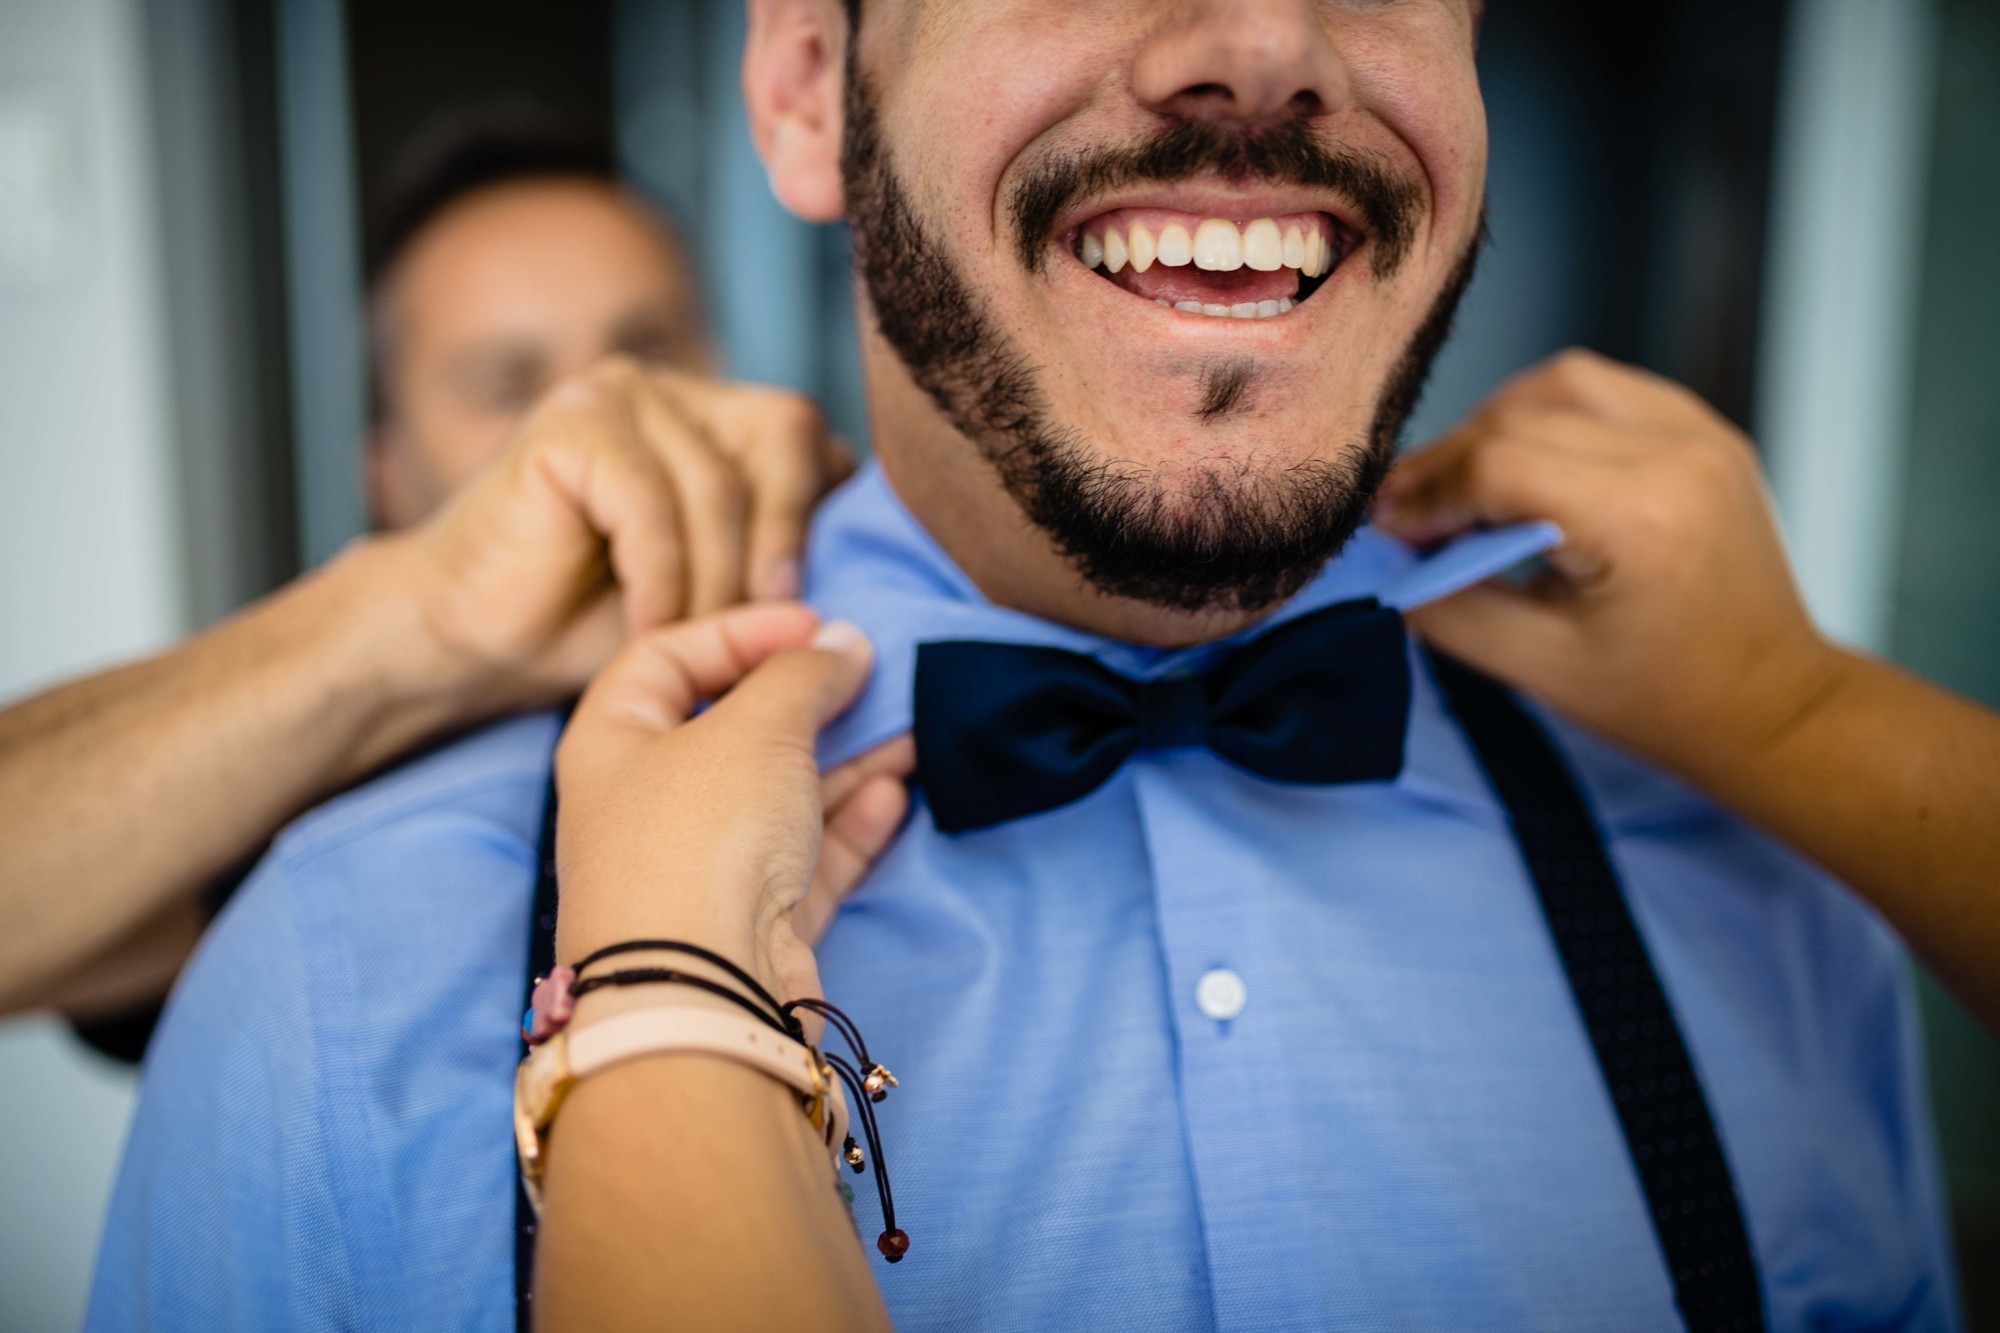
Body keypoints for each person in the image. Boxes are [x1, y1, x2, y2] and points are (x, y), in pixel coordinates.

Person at [91, 4, 1974, 1330]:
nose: (1267, 38)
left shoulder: (1763, 881)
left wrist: (1804, 718)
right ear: (809, 87)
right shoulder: (347, 977)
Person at [0, 112, 849, 1045]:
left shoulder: (846, 627)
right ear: (387, 476)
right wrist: (427, 613)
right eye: (510, 387)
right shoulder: (302, 789)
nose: (606, 417)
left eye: (646, 351)